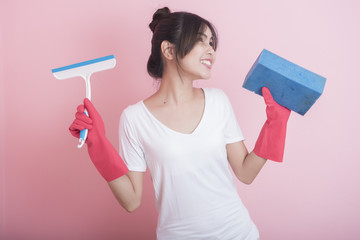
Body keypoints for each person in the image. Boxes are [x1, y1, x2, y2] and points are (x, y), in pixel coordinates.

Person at [69, 7, 290, 240]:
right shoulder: (134, 119)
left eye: (212, 43)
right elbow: (132, 201)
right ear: (169, 49)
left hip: (240, 234)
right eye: (200, 41)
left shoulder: (218, 101)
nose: (211, 51)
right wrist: (98, 145)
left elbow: (245, 173)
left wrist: (275, 125)